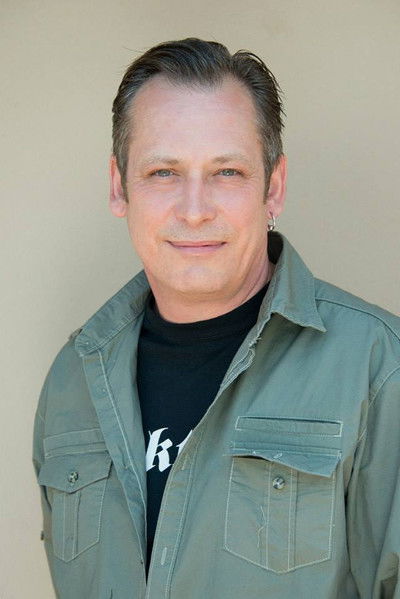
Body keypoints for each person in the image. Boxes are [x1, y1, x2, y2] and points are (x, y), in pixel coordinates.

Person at [33, 38, 400, 599]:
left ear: (273, 187)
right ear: (118, 185)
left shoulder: (378, 367)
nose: (195, 209)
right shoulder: (73, 378)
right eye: (163, 172)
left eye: (226, 171)